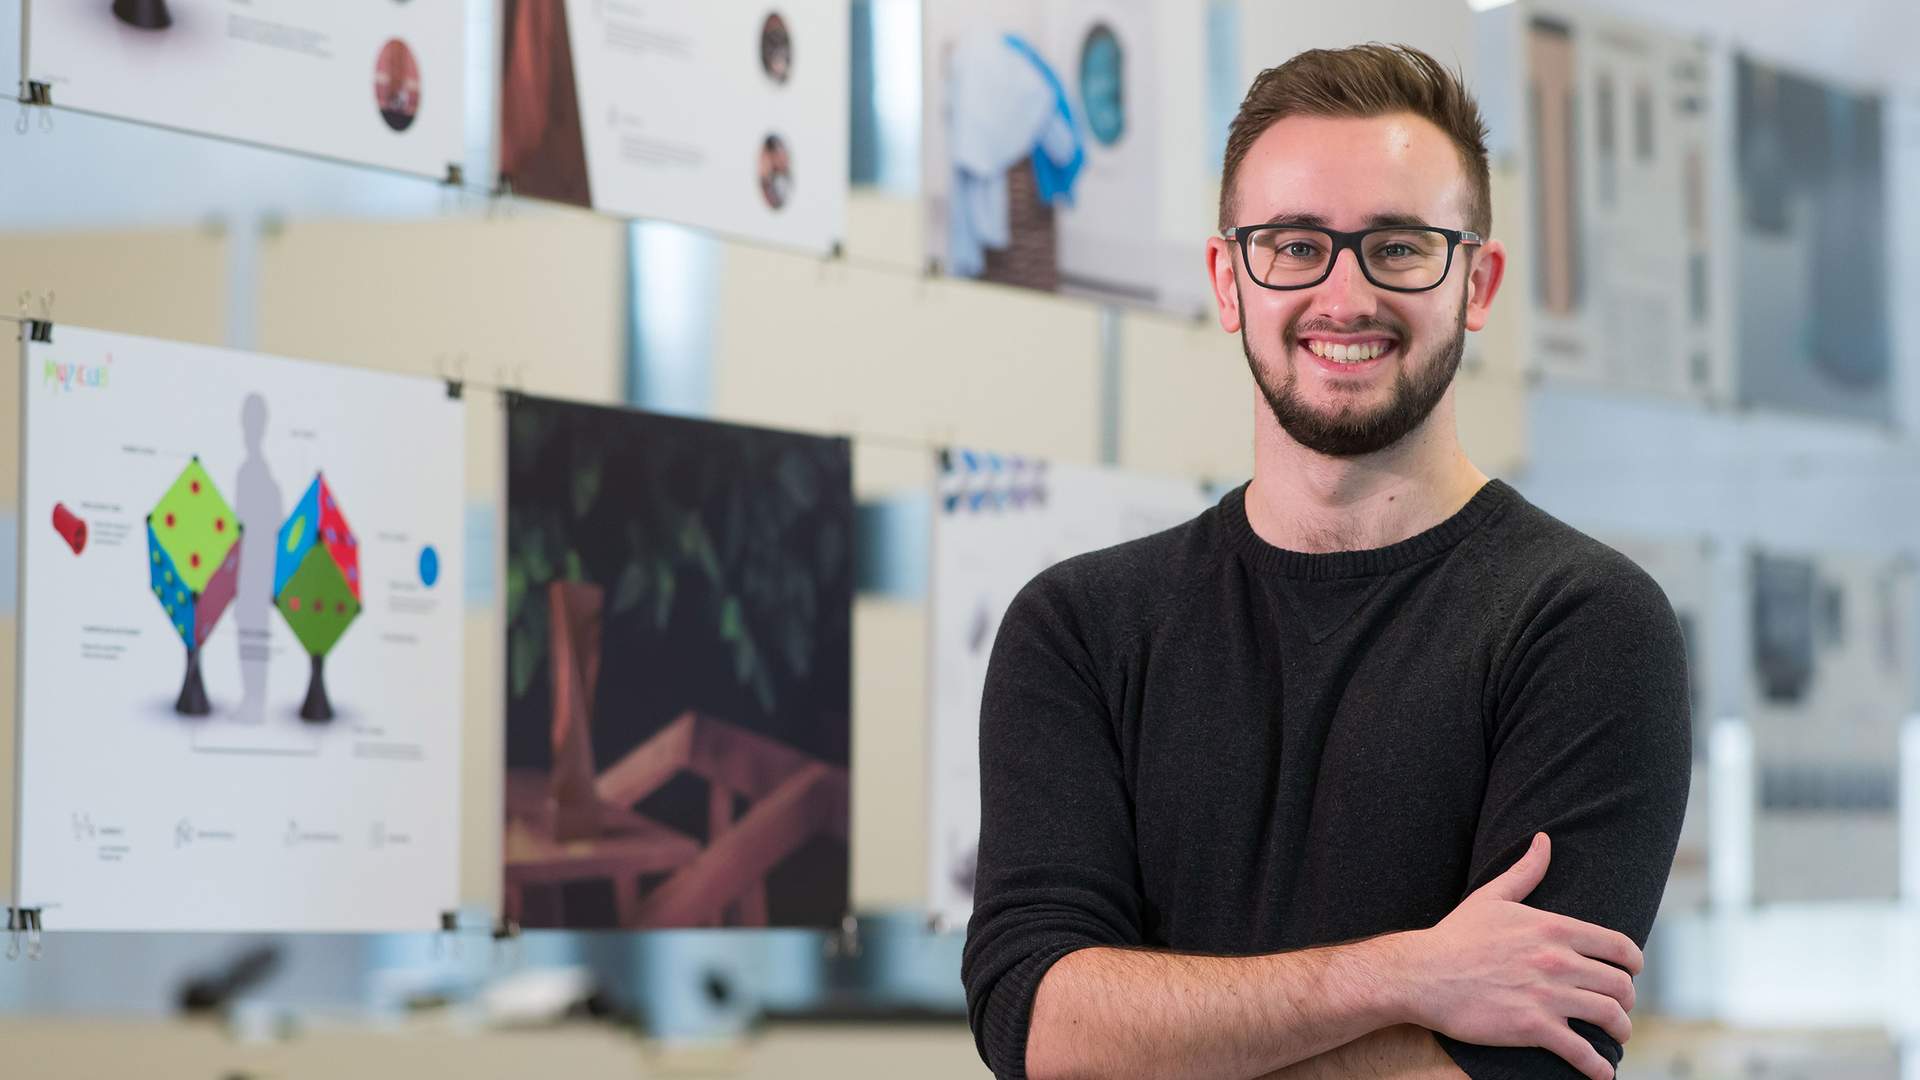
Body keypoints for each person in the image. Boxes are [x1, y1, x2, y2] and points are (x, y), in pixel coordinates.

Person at [961, 43, 1690, 1080]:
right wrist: (1406, 976)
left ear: (1476, 283)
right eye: (1296, 246)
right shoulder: (1081, 629)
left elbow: (1522, 1068)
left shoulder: (1586, 627)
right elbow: (1038, 1025)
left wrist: (1161, 1036)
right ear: (1229, 279)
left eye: (1398, 247)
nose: (1344, 296)